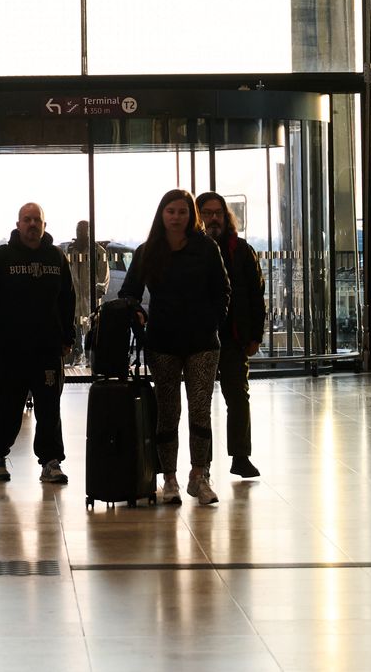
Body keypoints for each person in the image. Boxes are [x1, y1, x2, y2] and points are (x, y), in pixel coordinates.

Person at [120, 189, 230, 505]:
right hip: (163, 341)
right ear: (162, 214)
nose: (177, 217)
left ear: (190, 215)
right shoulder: (147, 251)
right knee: (168, 411)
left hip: (202, 341)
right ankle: (169, 478)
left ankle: (199, 474)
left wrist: (213, 321)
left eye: (182, 211)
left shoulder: (206, 248)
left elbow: (222, 290)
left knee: (200, 409)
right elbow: (129, 293)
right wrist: (137, 317)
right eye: (171, 211)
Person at [0, 202, 76, 486]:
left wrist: (68, 337)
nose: (32, 224)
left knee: (49, 408)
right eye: (27, 220)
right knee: (7, 407)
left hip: (47, 348)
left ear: (44, 225)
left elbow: (67, 300)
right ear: (18, 225)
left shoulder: (56, 258)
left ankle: (51, 462)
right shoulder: (1, 258)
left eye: (36, 220)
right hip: (9, 348)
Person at [198, 192, 266, 477]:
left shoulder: (242, 250)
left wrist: (255, 335)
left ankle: (240, 457)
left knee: (238, 397)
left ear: (226, 217)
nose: (213, 218)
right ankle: (202, 464)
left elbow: (256, 295)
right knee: (200, 402)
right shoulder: (191, 251)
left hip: (233, 337)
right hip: (199, 336)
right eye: (207, 213)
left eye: (218, 213)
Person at [64, 220, 110, 366]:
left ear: (90, 231)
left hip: (90, 295)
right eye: (78, 230)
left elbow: (104, 273)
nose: (80, 233)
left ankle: (91, 356)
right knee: (76, 325)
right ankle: (78, 354)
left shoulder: (98, 251)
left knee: (92, 326)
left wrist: (100, 289)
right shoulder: (70, 250)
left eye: (83, 230)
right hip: (75, 295)